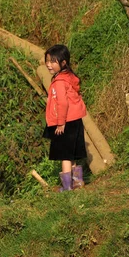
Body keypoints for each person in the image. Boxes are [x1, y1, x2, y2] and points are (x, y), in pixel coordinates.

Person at [43, 44, 87, 192]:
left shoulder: (60, 82)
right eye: (47, 61)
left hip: (65, 122)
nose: (49, 64)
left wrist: (60, 124)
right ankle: (78, 183)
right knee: (72, 153)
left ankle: (67, 187)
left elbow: (62, 103)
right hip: (75, 120)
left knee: (65, 156)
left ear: (63, 63)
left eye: (53, 61)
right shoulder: (69, 78)